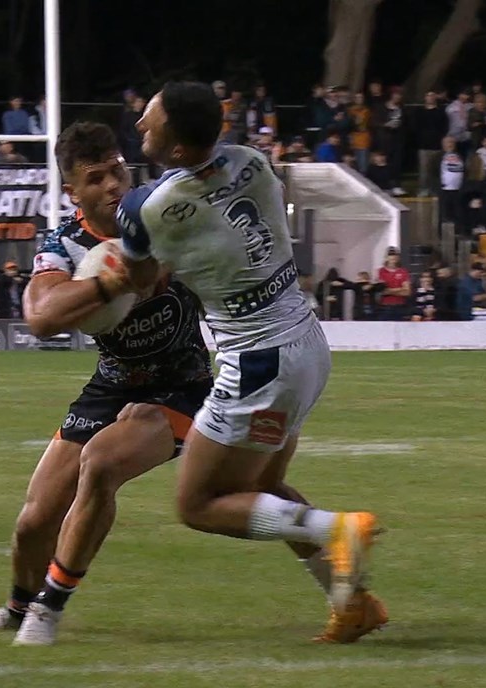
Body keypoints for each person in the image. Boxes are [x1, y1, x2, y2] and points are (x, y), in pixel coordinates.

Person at [0, 122, 332, 646]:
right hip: (111, 384)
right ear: (72, 192)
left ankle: (48, 613)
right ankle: (18, 609)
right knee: (33, 521)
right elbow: (40, 316)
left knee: (102, 465)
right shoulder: (65, 243)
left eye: (117, 170)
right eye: (96, 177)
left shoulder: (166, 219)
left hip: (182, 386)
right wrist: (112, 280)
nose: (111, 185)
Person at [116, 81, 386, 642]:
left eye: (151, 120)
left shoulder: (146, 209)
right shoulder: (254, 161)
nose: (141, 124)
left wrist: (116, 257)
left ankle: (336, 529)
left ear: (179, 148)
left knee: (197, 503)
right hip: (306, 342)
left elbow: (141, 284)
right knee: (265, 489)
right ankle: (352, 602)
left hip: (258, 359)